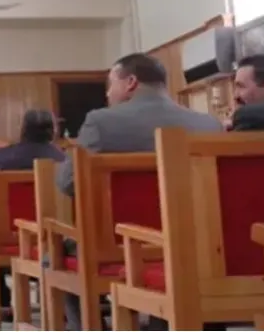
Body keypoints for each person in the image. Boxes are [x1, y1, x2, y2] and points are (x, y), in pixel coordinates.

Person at [53, 53, 223, 331]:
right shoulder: (208, 125)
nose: (108, 93)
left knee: (53, 254)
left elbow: (68, 182)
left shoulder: (101, 122)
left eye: (111, 84)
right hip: (197, 246)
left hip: (120, 245)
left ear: (130, 82)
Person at [0, 109, 66, 322]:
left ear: (23, 130)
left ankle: (1, 302)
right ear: (53, 131)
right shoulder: (64, 160)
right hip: (54, 237)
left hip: (7, 237)